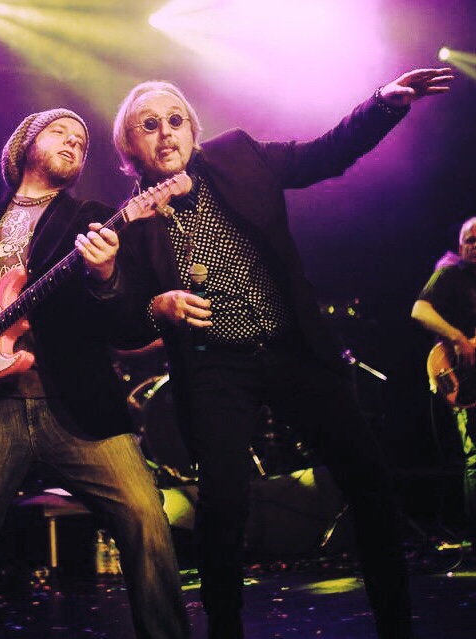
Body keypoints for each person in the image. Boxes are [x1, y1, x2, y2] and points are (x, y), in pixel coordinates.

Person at [106, 68, 453, 639]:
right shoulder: (128, 224)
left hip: (292, 347)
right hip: (216, 367)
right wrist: (156, 307)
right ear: (130, 147)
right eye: (149, 125)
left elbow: (324, 155)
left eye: (175, 121)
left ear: (192, 130)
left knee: (368, 478)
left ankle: (396, 626)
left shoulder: (238, 156)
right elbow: (119, 322)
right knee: (222, 505)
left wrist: (384, 105)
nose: (165, 133)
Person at [0, 108, 189, 639]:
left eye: (82, 141)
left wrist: (105, 275)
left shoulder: (94, 218)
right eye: (60, 132)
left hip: (75, 403)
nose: (74, 142)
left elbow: (125, 324)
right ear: (26, 143)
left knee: (146, 518)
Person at [412, 216, 476, 542]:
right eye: (470, 240)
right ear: (460, 245)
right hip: (465, 380)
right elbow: (420, 311)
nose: (475, 245)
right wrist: (458, 338)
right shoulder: (450, 275)